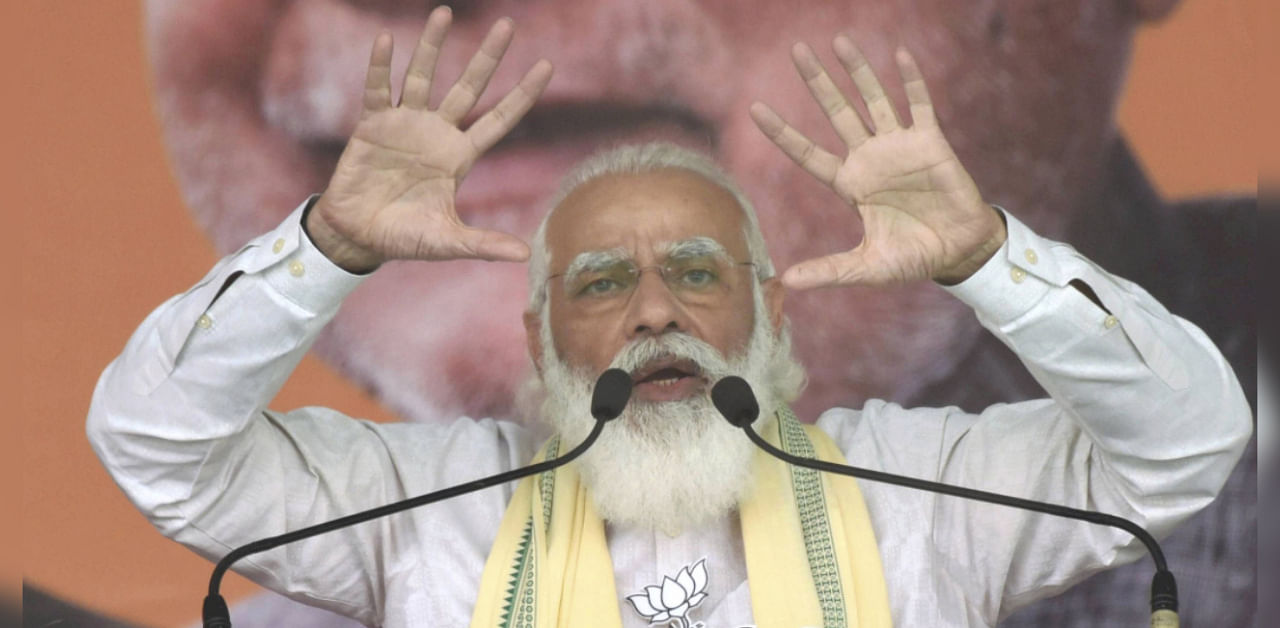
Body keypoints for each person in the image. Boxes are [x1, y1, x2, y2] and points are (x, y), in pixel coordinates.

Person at [92, 10, 1250, 626]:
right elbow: (159, 447)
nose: (652, 311)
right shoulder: (427, 519)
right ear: (541, 336)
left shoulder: (918, 499)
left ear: (770, 314)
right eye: (600, 283)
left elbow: (1184, 441)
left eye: (695, 273)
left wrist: (990, 260)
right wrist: (324, 248)